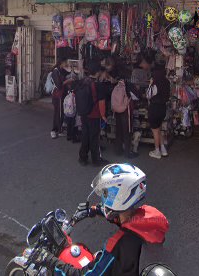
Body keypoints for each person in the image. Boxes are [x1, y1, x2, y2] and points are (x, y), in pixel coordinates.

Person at [34, 163, 169, 276]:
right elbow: (127, 222)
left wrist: (51, 261)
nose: (104, 197)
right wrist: (95, 210)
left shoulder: (116, 245)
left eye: (106, 193)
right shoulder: (148, 219)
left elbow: (87, 275)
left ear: (120, 197)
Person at [78, 61, 111, 167]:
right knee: (94, 137)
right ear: (97, 72)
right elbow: (101, 102)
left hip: (84, 113)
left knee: (85, 135)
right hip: (94, 114)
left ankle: (82, 158)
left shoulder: (83, 81)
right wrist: (103, 115)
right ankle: (96, 159)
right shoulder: (98, 85)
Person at [146, 64, 170, 160]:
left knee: (155, 131)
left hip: (154, 108)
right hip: (163, 108)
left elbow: (149, 95)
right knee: (159, 129)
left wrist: (150, 84)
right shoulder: (167, 81)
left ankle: (157, 151)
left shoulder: (155, 83)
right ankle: (163, 149)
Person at [50, 57, 71, 139]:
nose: (67, 63)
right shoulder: (55, 71)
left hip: (62, 95)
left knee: (61, 112)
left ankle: (59, 129)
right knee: (57, 113)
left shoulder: (61, 70)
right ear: (61, 62)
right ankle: (54, 130)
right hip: (57, 95)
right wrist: (68, 81)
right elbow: (59, 85)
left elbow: (69, 72)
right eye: (66, 62)